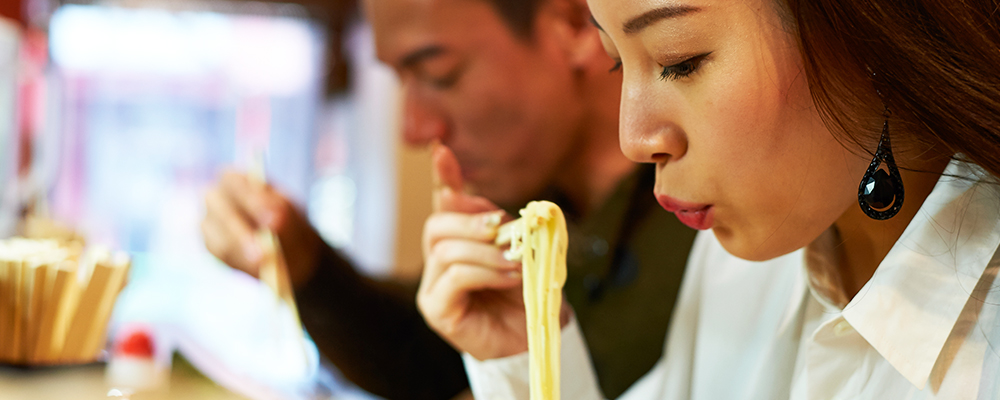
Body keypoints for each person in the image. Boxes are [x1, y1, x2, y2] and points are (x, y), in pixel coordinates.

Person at [427, 0, 1000, 399]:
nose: (635, 139)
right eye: (617, 61)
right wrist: (525, 352)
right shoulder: (734, 265)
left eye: (679, 59)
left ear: (866, 31)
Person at [200, 0, 697, 398]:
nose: (414, 129)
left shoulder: (714, 227)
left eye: (439, 74)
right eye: (400, 80)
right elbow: (430, 361)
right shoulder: (538, 210)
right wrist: (304, 260)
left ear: (572, 25)